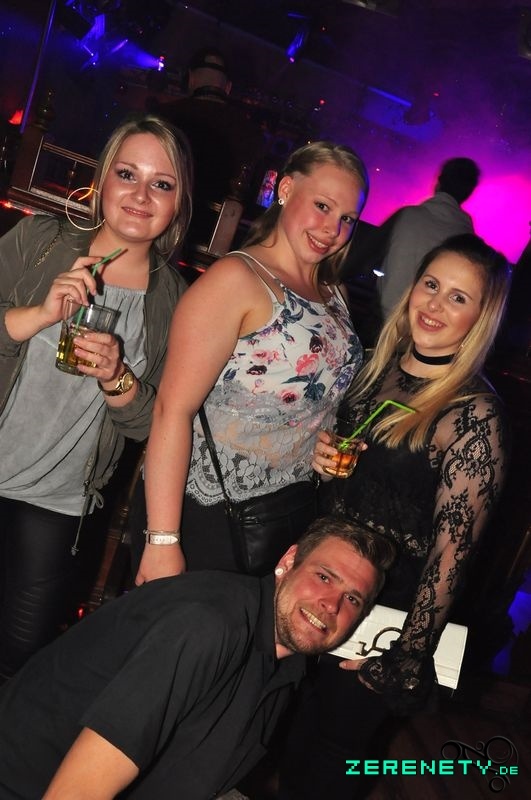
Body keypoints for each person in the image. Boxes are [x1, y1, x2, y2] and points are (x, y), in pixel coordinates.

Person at [279, 233, 512, 799]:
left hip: (383, 615)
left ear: (479, 319)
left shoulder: (473, 415)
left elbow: (452, 555)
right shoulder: (373, 370)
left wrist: (407, 652)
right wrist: (322, 464)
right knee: (286, 732)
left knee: (331, 755)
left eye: (459, 298)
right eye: (431, 284)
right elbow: (346, 488)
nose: (435, 305)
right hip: (318, 585)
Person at [0, 517, 395, 800]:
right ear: (288, 562)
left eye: (352, 599)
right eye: (323, 577)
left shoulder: (285, 665)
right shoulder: (208, 625)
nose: (331, 604)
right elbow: (75, 792)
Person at [0, 114, 193, 683]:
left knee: (20, 663)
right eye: (127, 174)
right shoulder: (41, 242)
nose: (140, 195)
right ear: (103, 179)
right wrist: (40, 314)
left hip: (57, 502)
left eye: (162, 183)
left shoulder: (175, 301)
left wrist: (116, 377)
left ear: (179, 202)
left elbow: (153, 425)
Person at [133, 139, 370, 582]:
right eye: (322, 206)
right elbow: (171, 409)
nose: (332, 229)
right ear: (286, 190)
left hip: (287, 514)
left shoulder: (335, 292)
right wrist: (162, 539)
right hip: (206, 514)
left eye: (347, 219)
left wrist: (325, 446)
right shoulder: (236, 278)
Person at [157, 47, 266, 250]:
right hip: (217, 244)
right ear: (228, 87)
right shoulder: (251, 133)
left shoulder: (163, 117)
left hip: (161, 231)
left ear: (191, 79)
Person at [377, 157, 480, 320]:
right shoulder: (468, 240)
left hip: (384, 319)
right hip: (427, 323)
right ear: (469, 192)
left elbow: (363, 255)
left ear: (439, 180)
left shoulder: (407, 216)